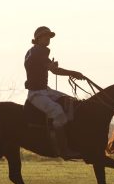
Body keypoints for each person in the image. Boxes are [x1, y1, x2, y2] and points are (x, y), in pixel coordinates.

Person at [24, 26, 84, 159]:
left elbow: (45, 67)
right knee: (58, 112)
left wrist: (50, 66)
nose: (48, 39)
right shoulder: (38, 51)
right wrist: (73, 73)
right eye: (46, 36)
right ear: (38, 38)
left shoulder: (36, 51)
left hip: (45, 90)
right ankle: (63, 150)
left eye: (49, 37)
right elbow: (55, 71)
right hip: (36, 94)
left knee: (71, 101)